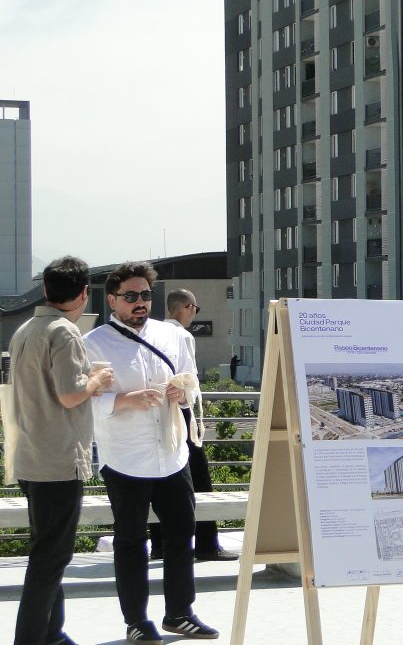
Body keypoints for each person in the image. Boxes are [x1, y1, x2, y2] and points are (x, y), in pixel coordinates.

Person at [84, 262, 218, 642]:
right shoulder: (94, 343)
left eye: (145, 295)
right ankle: (136, 622)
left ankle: (179, 613)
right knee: (130, 542)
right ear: (112, 300)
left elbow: (192, 381)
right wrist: (126, 400)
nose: (140, 302)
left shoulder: (171, 335)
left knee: (181, 535)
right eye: (131, 296)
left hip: (172, 452)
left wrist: (183, 392)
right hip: (125, 457)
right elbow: (81, 403)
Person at [9, 256, 113, 645]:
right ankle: (34, 639)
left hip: (31, 455)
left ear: (47, 289)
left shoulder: (27, 329)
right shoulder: (65, 333)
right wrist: (97, 379)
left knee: (49, 554)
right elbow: (70, 395)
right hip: (58, 460)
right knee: (48, 561)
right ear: (84, 292)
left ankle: (53, 633)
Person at [149, 289, 237, 562]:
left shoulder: (153, 331)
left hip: (156, 413)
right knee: (198, 476)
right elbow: (191, 380)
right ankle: (207, 543)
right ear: (187, 308)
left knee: (157, 475)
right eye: (195, 310)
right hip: (182, 412)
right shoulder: (183, 335)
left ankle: (159, 543)